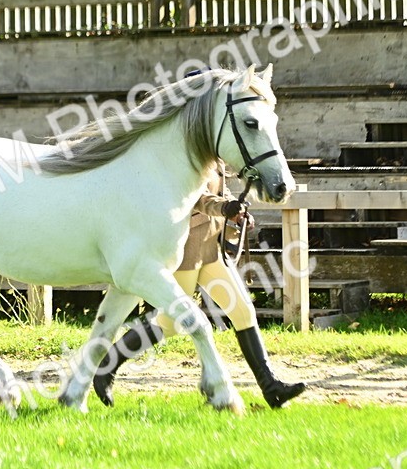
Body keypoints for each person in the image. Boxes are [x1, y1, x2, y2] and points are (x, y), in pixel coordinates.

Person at [93, 160, 307, 409]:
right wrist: (224, 207)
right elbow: (198, 198)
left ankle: (271, 388)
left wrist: (236, 212)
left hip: (211, 245)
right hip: (187, 248)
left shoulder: (214, 155)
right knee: (171, 323)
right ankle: (106, 367)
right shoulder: (186, 154)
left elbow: (218, 189)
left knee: (243, 311)